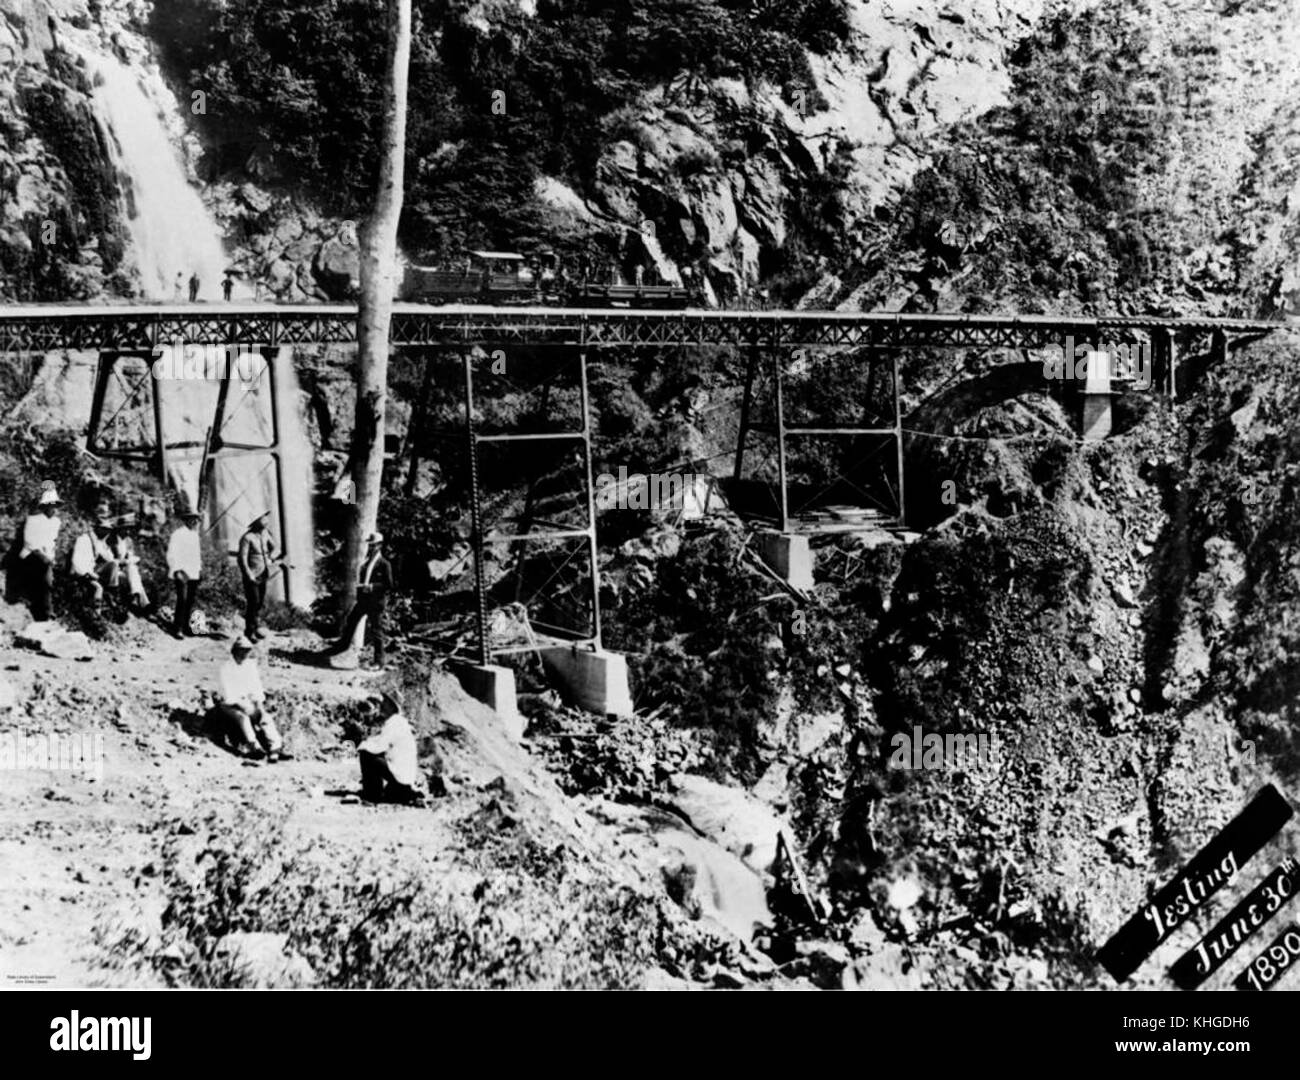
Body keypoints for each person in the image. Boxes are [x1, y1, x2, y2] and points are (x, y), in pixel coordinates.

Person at [213, 637, 286, 760]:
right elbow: (227, 694)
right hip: (229, 704)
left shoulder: (250, 666)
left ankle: (275, 748)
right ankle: (254, 747)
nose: (244, 654)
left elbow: (256, 688)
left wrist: (259, 706)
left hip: (248, 702)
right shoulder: (226, 668)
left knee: (265, 717)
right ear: (235, 651)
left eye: (247, 650)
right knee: (243, 717)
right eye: (242, 650)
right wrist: (242, 705)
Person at [329, 532, 392, 667]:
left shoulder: (384, 564)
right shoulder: (367, 561)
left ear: (380, 546)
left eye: (374, 545)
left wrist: (372, 587)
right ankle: (342, 647)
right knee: (351, 621)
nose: (371, 547)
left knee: (376, 631)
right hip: (364, 601)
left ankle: (379, 661)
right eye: (370, 545)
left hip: (375, 602)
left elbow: (389, 584)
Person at [358, 690, 423, 805]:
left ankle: (372, 795)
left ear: (391, 706)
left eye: (386, 703)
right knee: (371, 752)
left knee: (366, 754)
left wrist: (363, 745)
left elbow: (379, 746)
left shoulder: (394, 723)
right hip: (404, 776)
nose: (382, 706)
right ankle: (383, 791)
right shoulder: (398, 722)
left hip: (401, 777)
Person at [19, 488, 62, 621]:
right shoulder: (33, 519)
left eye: (56, 506)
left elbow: (52, 543)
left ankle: (45, 612)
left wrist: (51, 557)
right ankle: (47, 611)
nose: (54, 509)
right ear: (45, 506)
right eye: (51, 505)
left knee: (47, 577)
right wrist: (44, 556)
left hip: (46, 558)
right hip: (31, 554)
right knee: (45, 573)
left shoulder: (56, 522)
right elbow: (30, 542)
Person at [237, 511, 280, 641]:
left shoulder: (266, 534)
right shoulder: (247, 538)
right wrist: (248, 574)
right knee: (253, 602)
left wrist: (271, 557)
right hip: (252, 575)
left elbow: (276, 548)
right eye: (263, 519)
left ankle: (255, 627)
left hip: (263, 573)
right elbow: (242, 559)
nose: (266, 522)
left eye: (266, 520)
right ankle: (249, 632)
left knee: (260, 602)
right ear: (256, 522)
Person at [69, 507, 120, 615]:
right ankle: (96, 613)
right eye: (104, 529)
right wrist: (88, 574)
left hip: (90, 571)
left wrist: (107, 545)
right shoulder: (83, 539)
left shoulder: (99, 542)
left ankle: (112, 593)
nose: (106, 532)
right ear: (97, 528)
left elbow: (109, 559)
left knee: (113, 565)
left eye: (108, 530)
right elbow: (76, 561)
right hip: (80, 572)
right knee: (98, 588)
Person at [166, 510, 202, 637]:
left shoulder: (195, 535)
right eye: (192, 519)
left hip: (193, 572)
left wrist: (199, 570)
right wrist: (177, 570)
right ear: (186, 520)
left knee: (190, 601)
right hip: (182, 572)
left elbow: (197, 555)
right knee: (182, 599)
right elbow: (171, 554)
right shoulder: (177, 534)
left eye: (196, 519)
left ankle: (187, 626)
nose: (195, 521)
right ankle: (178, 628)